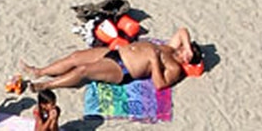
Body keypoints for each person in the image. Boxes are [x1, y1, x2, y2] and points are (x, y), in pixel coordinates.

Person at [22, 27, 202, 91]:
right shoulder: (170, 47)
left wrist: (154, 61)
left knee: (83, 71)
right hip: (116, 52)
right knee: (75, 57)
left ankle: (45, 85)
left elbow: (160, 85)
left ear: (188, 62)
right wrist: (187, 47)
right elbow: (183, 31)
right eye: (187, 49)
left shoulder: (175, 68)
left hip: (123, 68)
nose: (186, 53)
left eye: (189, 55)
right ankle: (40, 72)